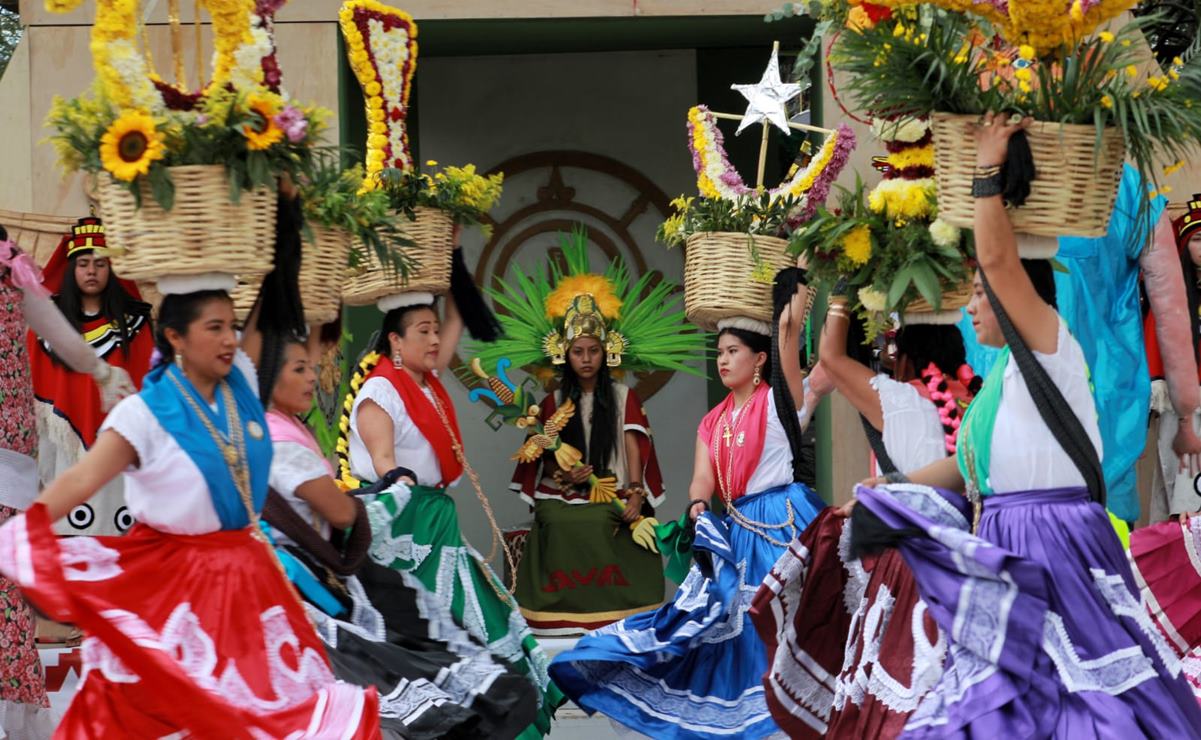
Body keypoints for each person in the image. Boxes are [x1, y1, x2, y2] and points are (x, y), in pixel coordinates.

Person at [850, 113, 1201, 736]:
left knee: (1077, 710)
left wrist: (986, 171)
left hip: (1055, 547)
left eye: (983, 294)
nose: (972, 304)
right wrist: (894, 491)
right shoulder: (997, 389)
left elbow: (996, 257)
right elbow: (965, 472)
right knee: (1006, 713)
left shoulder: (1051, 347)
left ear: (1019, 299)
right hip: (1007, 548)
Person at [0, 275, 381, 737]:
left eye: (231, 328)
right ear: (176, 337)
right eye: (214, 328)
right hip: (176, 586)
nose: (228, 339)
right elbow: (83, 477)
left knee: (281, 712)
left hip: (249, 580)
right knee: (184, 713)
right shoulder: (144, 414)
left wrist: (286, 220)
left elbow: (273, 311)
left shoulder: (239, 382)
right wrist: (28, 527)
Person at [548, 270, 826, 739]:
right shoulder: (711, 422)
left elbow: (789, 336)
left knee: (788, 632)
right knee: (726, 640)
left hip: (784, 524)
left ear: (760, 359)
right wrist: (698, 508)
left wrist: (791, 295)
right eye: (719, 352)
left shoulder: (779, 400)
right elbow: (702, 479)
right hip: (735, 529)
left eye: (732, 351)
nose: (722, 360)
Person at [260, 333, 540, 738]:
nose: (314, 376)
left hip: (323, 572)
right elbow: (340, 514)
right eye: (299, 369)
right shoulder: (283, 436)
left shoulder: (275, 427)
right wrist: (395, 492)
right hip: (304, 586)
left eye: (313, 366)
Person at [338, 285, 563, 739]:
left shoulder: (424, 380)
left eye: (436, 331)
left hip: (435, 520)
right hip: (407, 523)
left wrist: (456, 260)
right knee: (449, 629)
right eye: (423, 332)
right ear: (396, 342)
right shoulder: (381, 388)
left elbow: (454, 326)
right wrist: (397, 478)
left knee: (479, 620)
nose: (436, 340)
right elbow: (385, 464)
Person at [753, 308, 980, 738]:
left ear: (906, 355)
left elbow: (830, 356)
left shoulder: (902, 400)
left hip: (909, 563)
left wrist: (840, 292)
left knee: (897, 681)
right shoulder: (975, 399)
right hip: (967, 552)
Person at [482, 227, 705, 635]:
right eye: (578, 351)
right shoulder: (549, 402)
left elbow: (636, 443)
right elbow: (541, 467)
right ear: (565, 354)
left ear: (607, 352)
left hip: (616, 489)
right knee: (563, 522)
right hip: (566, 496)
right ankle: (557, 614)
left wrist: (635, 490)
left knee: (612, 517)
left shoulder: (623, 397)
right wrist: (566, 477)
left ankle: (626, 610)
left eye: (593, 351)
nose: (586, 359)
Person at [0, 224, 135, 739]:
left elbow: (62, 336)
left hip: (7, 454)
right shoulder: (10, 266)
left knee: (9, 588)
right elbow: (63, 338)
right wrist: (102, 375)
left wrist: (103, 376)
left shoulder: (9, 266)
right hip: (9, 453)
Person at [29, 215, 154, 537]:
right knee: (67, 528)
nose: (91, 272)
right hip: (64, 444)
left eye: (100, 264)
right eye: (83, 264)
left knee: (118, 530)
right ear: (72, 269)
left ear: (111, 270)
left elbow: (148, 384)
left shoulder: (135, 323)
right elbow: (36, 383)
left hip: (119, 443)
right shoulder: (48, 323)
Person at [1146, 193, 1201, 520]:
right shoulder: (1170, 296)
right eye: (1197, 239)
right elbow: (1155, 340)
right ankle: (1180, 554)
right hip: (1180, 403)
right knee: (1177, 484)